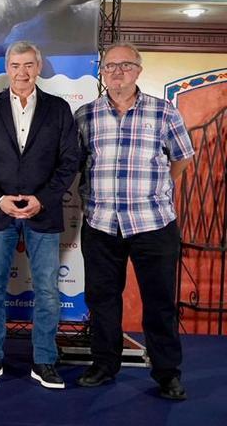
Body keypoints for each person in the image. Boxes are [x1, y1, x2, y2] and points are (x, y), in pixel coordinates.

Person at [74, 42, 193, 400]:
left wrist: (158, 192)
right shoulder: (85, 115)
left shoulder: (164, 113)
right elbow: (77, 166)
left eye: (125, 65)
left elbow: (182, 159)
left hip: (152, 224)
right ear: (102, 73)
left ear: (139, 71)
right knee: (102, 300)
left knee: (159, 302)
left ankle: (167, 372)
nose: (117, 72)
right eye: (110, 66)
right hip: (100, 223)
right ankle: (104, 364)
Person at [0, 40, 79, 389]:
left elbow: (69, 162)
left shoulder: (59, 109)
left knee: (47, 291)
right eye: (15, 65)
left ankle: (45, 361)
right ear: (7, 67)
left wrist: (42, 200)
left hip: (42, 214)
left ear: (39, 66)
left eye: (29, 65)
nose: (22, 72)